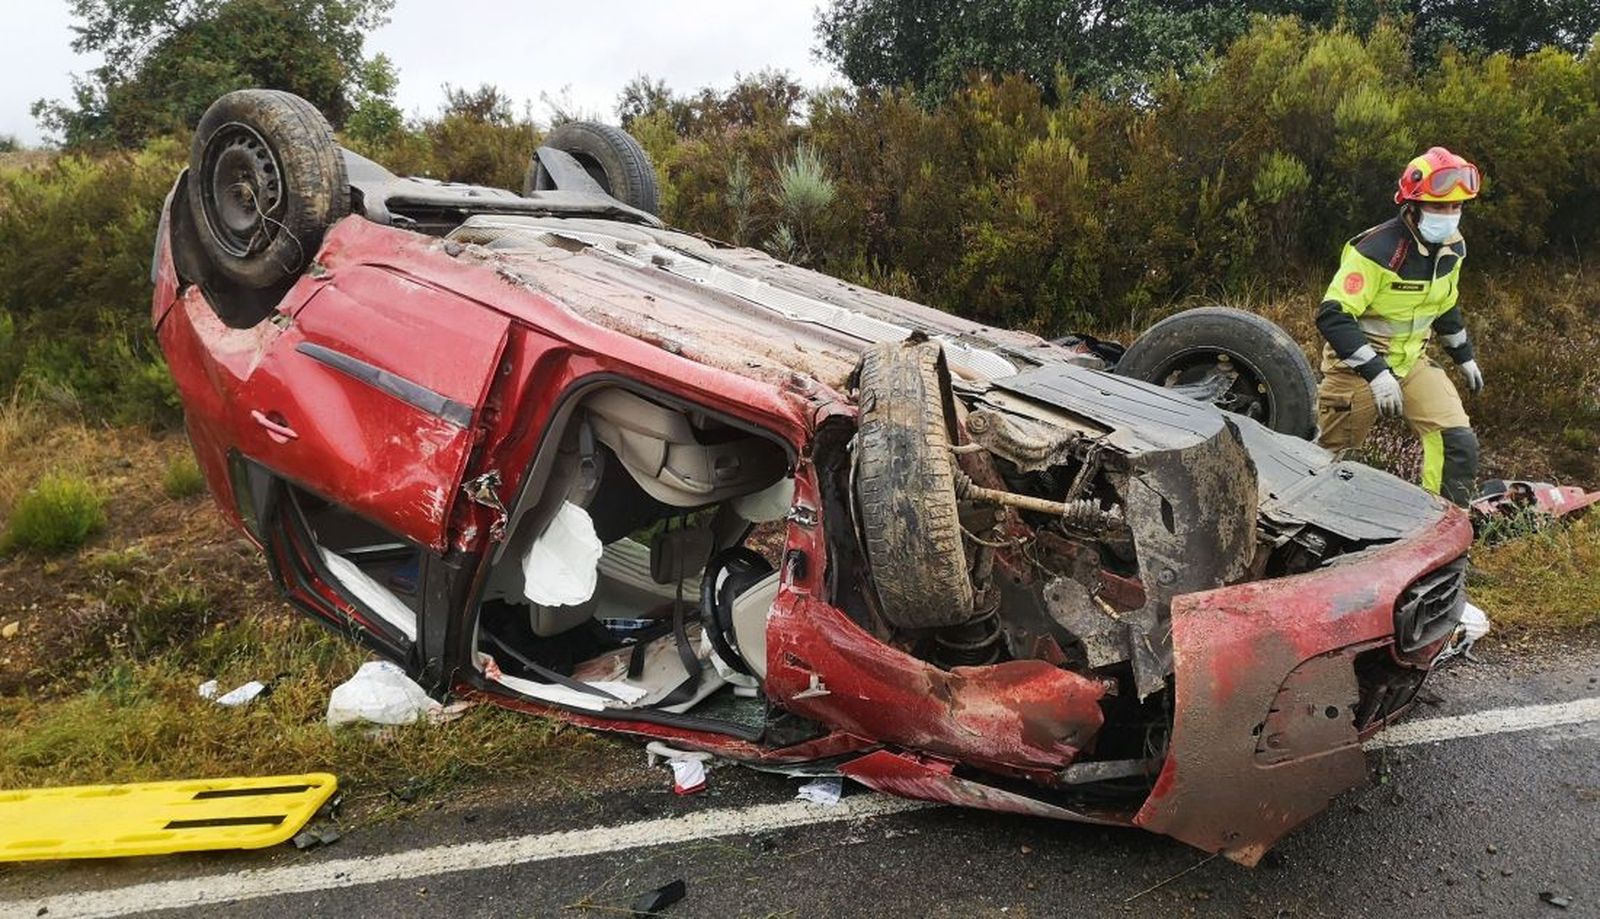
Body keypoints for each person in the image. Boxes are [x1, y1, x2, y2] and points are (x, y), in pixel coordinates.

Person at [1314, 146, 1484, 506]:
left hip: (1411, 363)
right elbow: (1333, 314)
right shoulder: (1376, 250)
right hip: (1356, 370)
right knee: (1331, 463)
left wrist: (1464, 356)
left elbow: (1444, 306)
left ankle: (1440, 524)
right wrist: (1376, 373)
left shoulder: (1454, 247)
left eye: (1456, 207)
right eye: (1439, 207)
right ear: (1413, 205)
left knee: (1457, 442)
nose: (1449, 216)